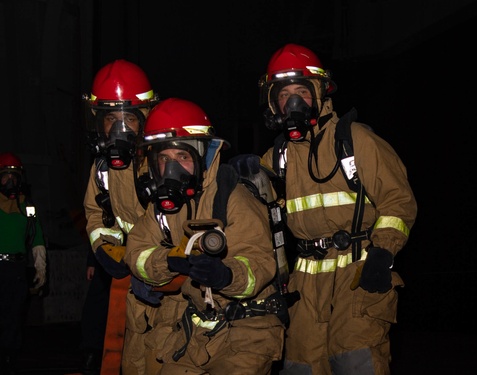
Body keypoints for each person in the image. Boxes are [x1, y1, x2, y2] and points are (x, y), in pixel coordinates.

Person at [257, 43, 418, 374]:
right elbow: (253, 219)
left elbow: (398, 200)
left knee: (354, 362)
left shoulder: (355, 141)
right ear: (274, 103)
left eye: (301, 91)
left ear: (319, 93)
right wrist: (243, 177)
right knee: (301, 367)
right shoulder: (276, 160)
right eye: (285, 95)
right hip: (304, 285)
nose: (294, 102)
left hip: (358, 276)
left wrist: (383, 252)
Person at [124, 97, 285, 374]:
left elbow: (259, 263)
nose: (171, 169)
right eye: (163, 159)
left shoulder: (233, 198)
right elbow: (136, 253)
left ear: (203, 157)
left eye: (182, 157)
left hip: (249, 328)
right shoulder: (162, 208)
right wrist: (169, 261)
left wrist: (226, 276)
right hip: (198, 328)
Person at [81, 59, 159, 375]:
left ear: (146, 120)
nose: (119, 130)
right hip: (129, 280)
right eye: (111, 118)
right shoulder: (102, 169)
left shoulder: (167, 160)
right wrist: (104, 247)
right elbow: (95, 214)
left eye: (128, 119)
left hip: (171, 282)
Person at [0, 152, 47, 375]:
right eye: (5, 177)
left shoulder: (27, 207)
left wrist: (40, 267)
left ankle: (9, 357)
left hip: (16, 269)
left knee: (14, 315)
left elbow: (36, 237)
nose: (10, 182)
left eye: (14, 176)